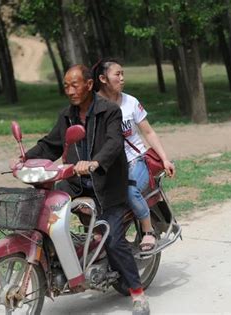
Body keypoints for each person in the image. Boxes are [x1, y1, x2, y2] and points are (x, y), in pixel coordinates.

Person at [24, 65, 150, 313]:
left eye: (75, 85)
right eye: (66, 86)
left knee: (112, 239)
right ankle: (60, 262)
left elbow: (115, 143)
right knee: (47, 207)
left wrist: (95, 162)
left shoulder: (109, 111)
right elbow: (51, 144)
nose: (70, 91)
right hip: (77, 181)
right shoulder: (66, 116)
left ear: (89, 85)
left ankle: (137, 293)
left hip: (108, 183)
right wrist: (23, 158)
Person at [92, 58, 176, 252]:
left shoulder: (130, 102)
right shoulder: (93, 105)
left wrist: (164, 158)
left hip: (134, 162)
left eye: (123, 74)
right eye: (117, 74)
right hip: (106, 166)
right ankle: (96, 235)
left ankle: (148, 231)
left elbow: (149, 132)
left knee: (129, 190)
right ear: (103, 79)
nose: (122, 78)